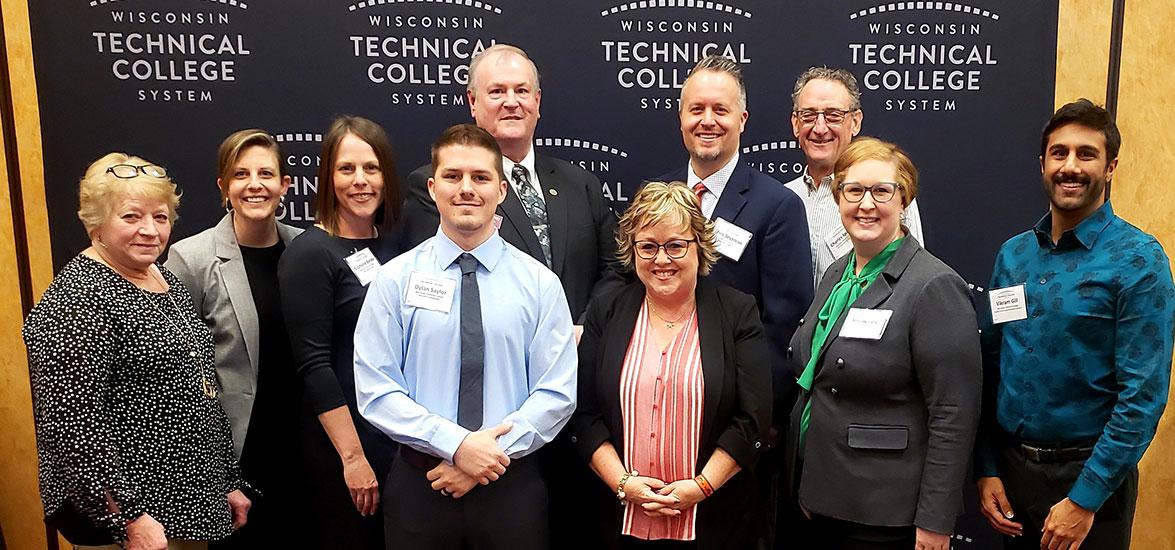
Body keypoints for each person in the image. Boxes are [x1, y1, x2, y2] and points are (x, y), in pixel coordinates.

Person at [353, 124, 577, 549]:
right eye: (453, 177)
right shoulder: (394, 281)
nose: (466, 189)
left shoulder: (540, 285)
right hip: (421, 487)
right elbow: (377, 388)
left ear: (502, 190)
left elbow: (557, 392)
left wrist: (485, 457)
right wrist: (456, 445)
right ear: (433, 188)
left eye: (481, 177)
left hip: (511, 488)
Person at [975, 99, 1174, 550]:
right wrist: (986, 466)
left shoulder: (1139, 260)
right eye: (1059, 153)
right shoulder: (1014, 255)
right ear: (1042, 164)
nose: (1070, 166)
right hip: (1013, 477)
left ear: (1110, 167)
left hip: (1092, 484)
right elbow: (991, 365)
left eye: (1087, 154)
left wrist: (1083, 501)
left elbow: (1142, 397)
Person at [23, 153, 250, 549]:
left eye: (160, 217)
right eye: (131, 217)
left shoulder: (164, 281)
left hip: (186, 509)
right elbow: (73, 425)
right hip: (132, 525)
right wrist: (129, 516)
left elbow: (200, 390)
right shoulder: (78, 299)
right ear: (96, 223)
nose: (150, 230)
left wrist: (225, 481)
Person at [787, 137, 981, 549]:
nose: (866, 204)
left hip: (885, 515)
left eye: (881, 191)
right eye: (853, 190)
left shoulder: (932, 285)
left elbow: (953, 413)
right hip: (822, 499)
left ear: (904, 198)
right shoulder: (838, 275)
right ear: (838, 197)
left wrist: (935, 520)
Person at [653, 54, 812, 546]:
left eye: (720, 110)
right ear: (680, 118)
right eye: (696, 108)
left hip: (734, 431)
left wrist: (741, 415)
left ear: (742, 119)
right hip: (656, 418)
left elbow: (785, 325)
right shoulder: (655, 198)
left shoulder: (777, 206)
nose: (707, 120)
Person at [570, 181, 772, 548]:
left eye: (676, 245)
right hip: (616, 519)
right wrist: (623, 484)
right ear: (632, 252)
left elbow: (752, 419)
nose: (661, 259)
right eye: (647, 246)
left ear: (700, 246)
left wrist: (701, 486)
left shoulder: (737, 312)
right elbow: (584, 414)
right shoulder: (607, 311)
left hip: (714, 520)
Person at [400, 43, 622, 324]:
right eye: (497, 91)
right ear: (472, 101)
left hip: (579, 354)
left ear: (537, 101)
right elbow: (436, 287)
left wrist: (582, 328)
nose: (511, 102)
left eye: (521, 90)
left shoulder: (582, 184)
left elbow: (614, 270)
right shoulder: (441, 188)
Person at [165, 129, 304, 548]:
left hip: (304, 448)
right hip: (239, 454)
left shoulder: (306, 247)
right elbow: (181, 379)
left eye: (266, 173)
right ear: (224, 187)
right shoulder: (191, 258)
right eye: (241, 174)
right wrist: (214, 473)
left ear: (285, 185)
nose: (255, 184)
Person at [277, 116, 402, 549]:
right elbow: (313, 365)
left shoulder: (394, 247)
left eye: (371, 168)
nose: (360, 181)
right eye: (346, 169)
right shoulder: (310, 254)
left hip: (394, 441)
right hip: (344, 449)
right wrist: (353, 459)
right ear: (328, 178)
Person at [784, 67, 925, 288]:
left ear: (856, 121)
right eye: (809, 115)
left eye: (833, 116)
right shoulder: (782, 199)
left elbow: (914, 278)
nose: (820, 128)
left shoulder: (888, 195)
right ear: (795, 123)